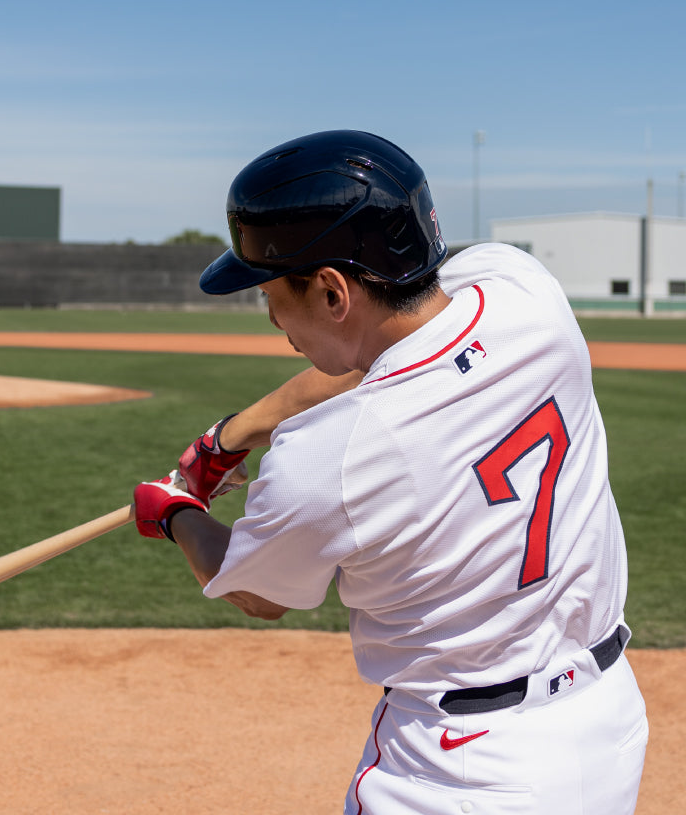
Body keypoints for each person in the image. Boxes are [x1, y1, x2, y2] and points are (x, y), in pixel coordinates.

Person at [133, 130, 648, 814]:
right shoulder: (523, 290)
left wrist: (175, 512)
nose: (269, 317)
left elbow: (258, 593)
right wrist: (227, 438)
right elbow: (383, 356)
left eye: (268, 292)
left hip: (460, 772)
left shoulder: (330, 458)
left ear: (330, 292)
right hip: (608, 723)